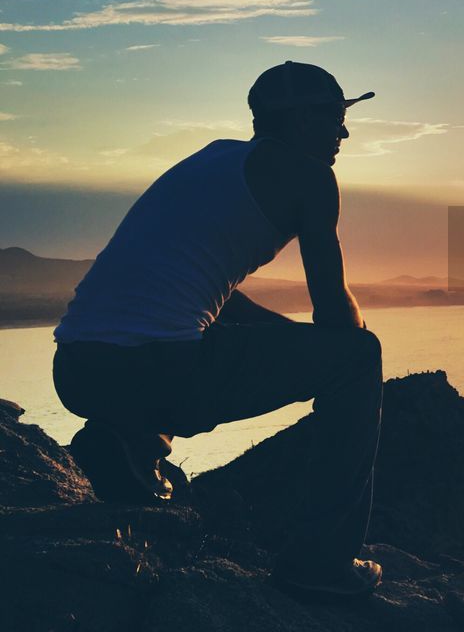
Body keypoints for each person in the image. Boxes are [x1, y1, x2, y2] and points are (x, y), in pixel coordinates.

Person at [51, 61, 384, 599]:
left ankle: (121, 443)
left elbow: (210, 298)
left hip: (77, 369)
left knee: (183, 342)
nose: (344, 131)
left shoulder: (211, 161)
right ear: (299, 120)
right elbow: (335, 319)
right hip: (163, 368)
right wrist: (343, 345)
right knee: (361, 359)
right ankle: (321, 563)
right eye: (333, 115)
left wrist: (288, 340)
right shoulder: (310, 177)